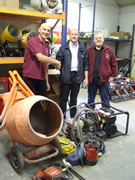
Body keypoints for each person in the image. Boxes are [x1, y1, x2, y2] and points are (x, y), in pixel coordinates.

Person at [56, 29, 89, 118]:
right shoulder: (63, 48)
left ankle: (72, 117)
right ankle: (61, 117)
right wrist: (61, 71)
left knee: (74, 99)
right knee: (63, 98)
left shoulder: (82, 49)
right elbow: (58, 61)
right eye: (72, 34)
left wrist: (86, 78)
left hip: (77, 76)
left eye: (76, 34)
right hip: (66, 76)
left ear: (78, 36)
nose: (74, 36)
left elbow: (86, 64)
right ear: (69, 35)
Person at [22, 23, 61, 96]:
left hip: (41, 78)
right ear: (39, 29)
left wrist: (46, 81)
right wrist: (55, 61)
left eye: (48, 30)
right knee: (28, 101)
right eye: (44, 29)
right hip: (30, 77)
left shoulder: (46, 45)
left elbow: (45, 64)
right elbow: (40, 58)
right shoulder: (32, 41)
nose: (46, 32)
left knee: (42, 101)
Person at [87, 32, 117, 108]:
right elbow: (85, 64)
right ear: (94, 40)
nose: (98, 40)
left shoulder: (109, 50)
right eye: (96, 38)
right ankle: (90, 115)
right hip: (92, 80)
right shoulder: (89, 50)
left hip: (104, 80)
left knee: (105, 99)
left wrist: (112, 76)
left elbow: (114, 64)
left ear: (103, 39)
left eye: (100, 38)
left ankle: (106, 116)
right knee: (91, 99)